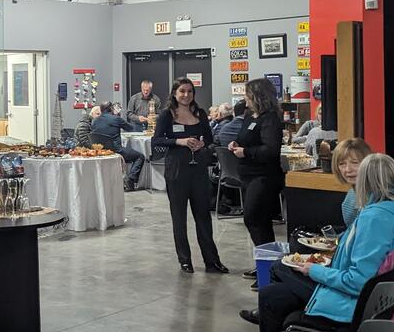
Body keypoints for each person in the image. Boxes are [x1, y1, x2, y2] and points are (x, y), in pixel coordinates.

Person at [247, 154, 394, 332]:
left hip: (355, 305)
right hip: (390, 299)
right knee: (274, 295)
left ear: (365, 183)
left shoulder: (375, 218)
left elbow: (358, 281)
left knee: (278, 269)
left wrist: (314, 271)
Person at [153, 78, 227, 274]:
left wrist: (202, 144)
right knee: (179, 217)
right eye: (182, 91)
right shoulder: (167, 115)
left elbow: (210, 139)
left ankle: (212, 261)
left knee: (204, 216)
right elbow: (157, 141)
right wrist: (180, 141)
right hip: (177, 170)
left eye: (190, 91)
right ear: (175, 94)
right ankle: (185, 260)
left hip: (198, 169)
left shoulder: (200, 114)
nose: (186, 95)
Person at [228, 79, 284, 289]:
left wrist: (246, 152)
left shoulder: (270, 119)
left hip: (264, 177)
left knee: (253, 218)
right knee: (260, 223)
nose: (245, 98)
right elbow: (245, 139)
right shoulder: (249, 116)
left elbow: (270, 150)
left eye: (248, 94)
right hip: (248, 175)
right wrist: (237, 145)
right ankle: (267, 266)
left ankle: (270, 270)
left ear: (258, 96)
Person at [91, 102, 144, 191]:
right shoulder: (116, 119)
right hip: (116, 151)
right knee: (140, 157)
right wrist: (118, 116)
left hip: (101, 152)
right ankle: (130, 181)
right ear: (111, 109)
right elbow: (130, 128)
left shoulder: (94, 121)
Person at [332, 138, 373, 227]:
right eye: (342, 164)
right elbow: (352, 232)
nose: (348, 169)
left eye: (354, 163)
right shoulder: (350, 195)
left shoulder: (380, 195)